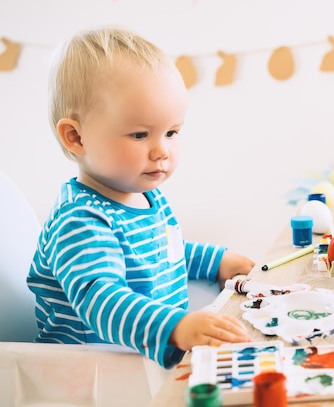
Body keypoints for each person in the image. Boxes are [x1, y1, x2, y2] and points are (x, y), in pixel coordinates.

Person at [26, 27, 255, 369]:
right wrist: (176, 327)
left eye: (171, 132)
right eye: (139, 134)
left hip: (141, 362)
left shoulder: (147, 197)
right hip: (88, 377)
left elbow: (164, 252)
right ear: (76, 136)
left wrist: (217, 261)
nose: (162, 150)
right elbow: (101, 301)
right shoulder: (79, 221)